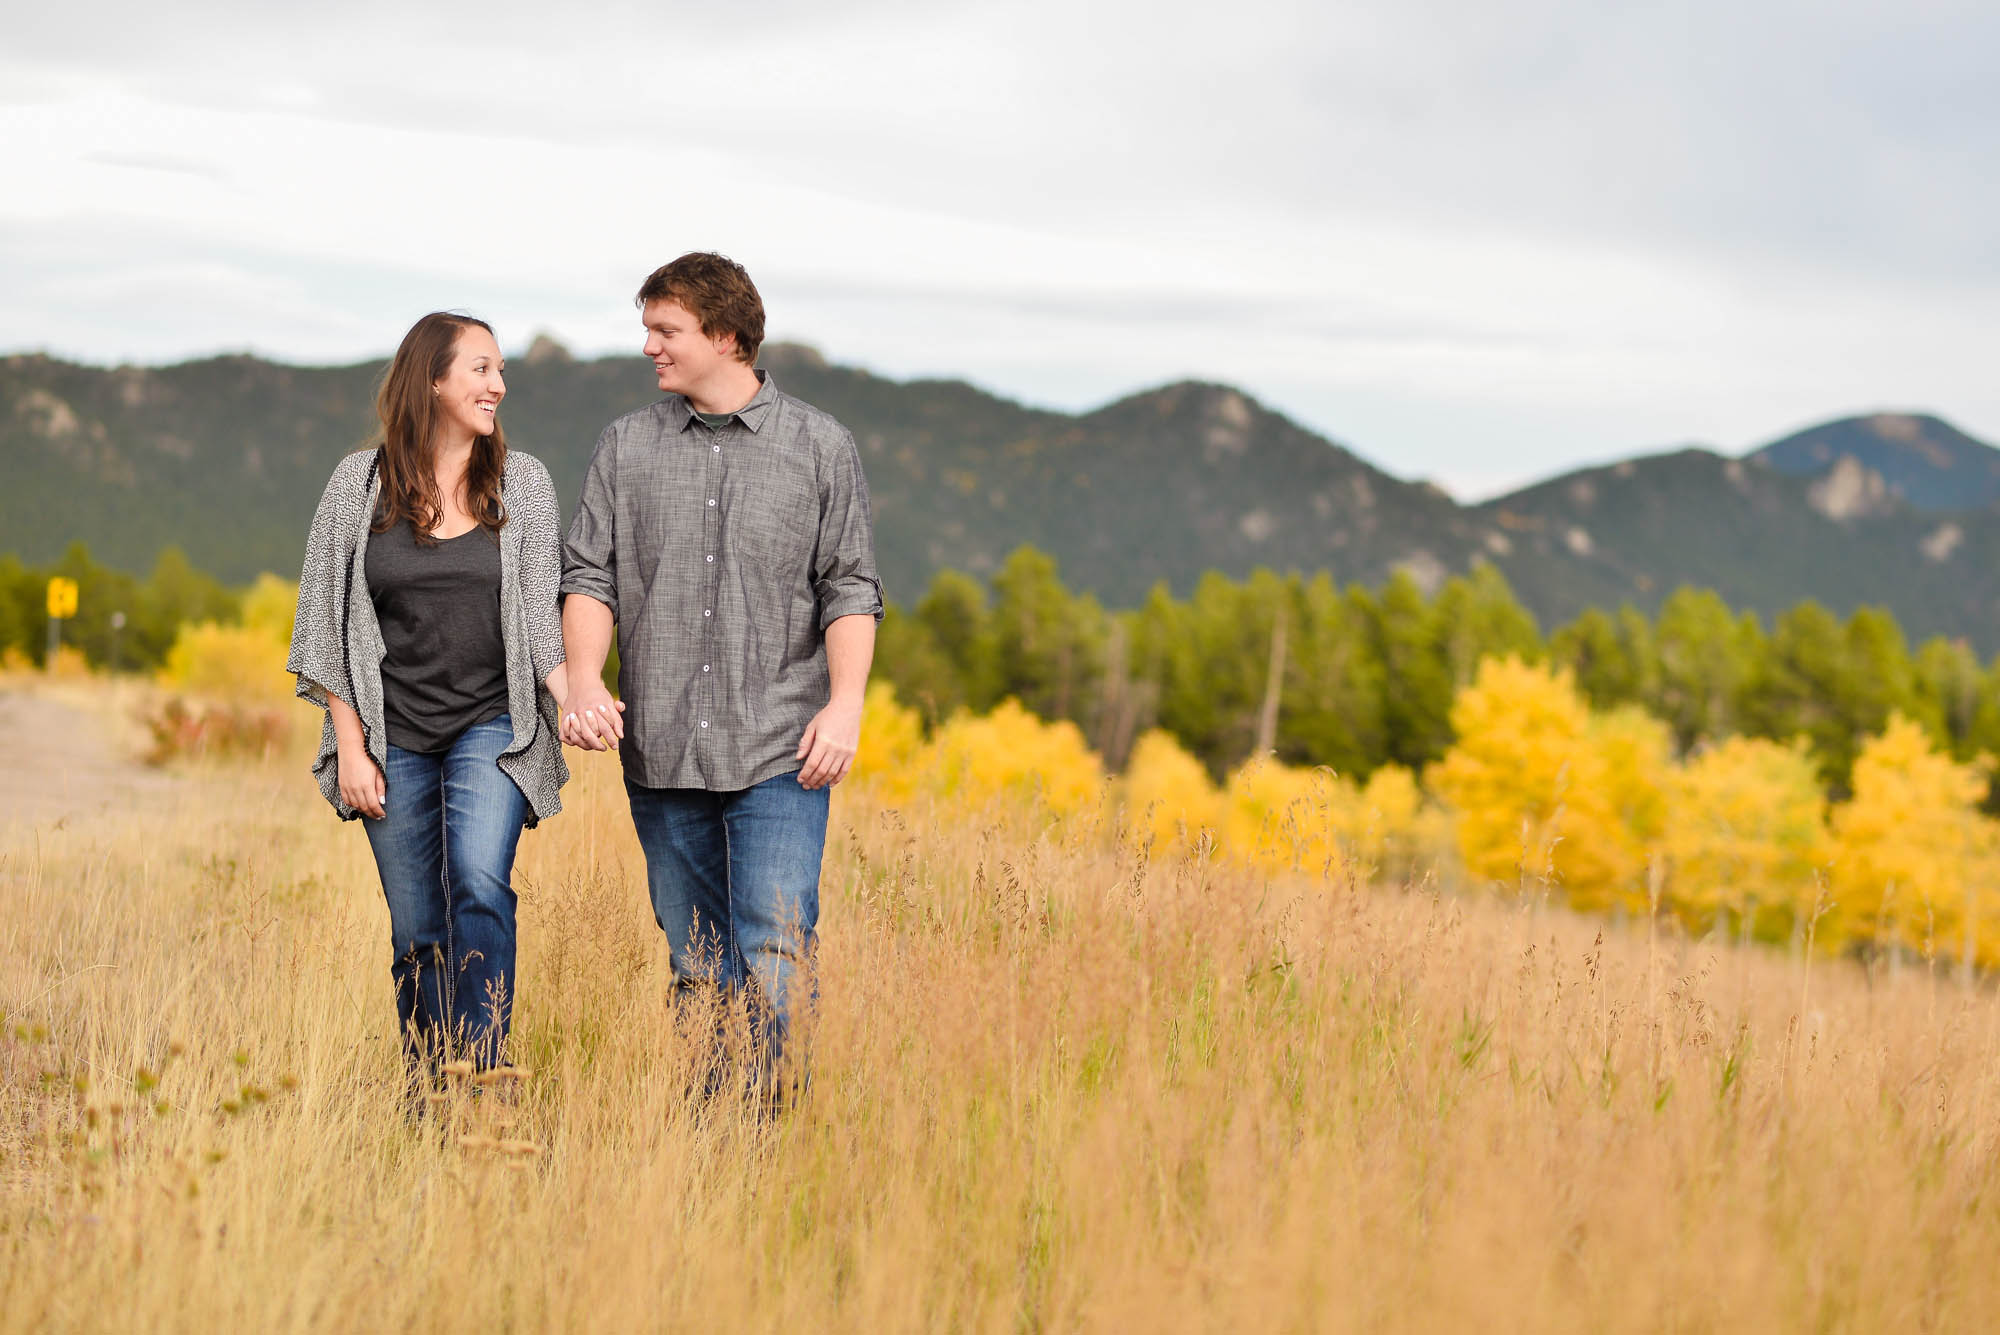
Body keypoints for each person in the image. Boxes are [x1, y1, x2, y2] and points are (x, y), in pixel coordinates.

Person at [560, 252, 882, 1104]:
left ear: (727, 335)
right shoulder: (625, 446)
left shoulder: (820, 446)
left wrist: (846, 705)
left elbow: (850, 587)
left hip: (783, 747)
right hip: (662, 749)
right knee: (698, 965)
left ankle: (772, 1136)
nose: (650, 347)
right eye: (648, 329)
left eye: (666, 330)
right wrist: (584, 679)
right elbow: (588, 574)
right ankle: (709, 1146)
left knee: (776, 950)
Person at [287, 312, 570, 1096]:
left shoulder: (523, 483)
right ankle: (429, 1093)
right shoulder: (358, 485)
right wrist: (350, 746)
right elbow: (324, 622)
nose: (498, 385)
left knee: (478, 881)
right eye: (481, 368)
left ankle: (481, 1076)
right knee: (417, 931)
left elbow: (542, 617)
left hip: (494, 723)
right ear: (433, 379)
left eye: (501, 370)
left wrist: (575, 697)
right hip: (392, 734)